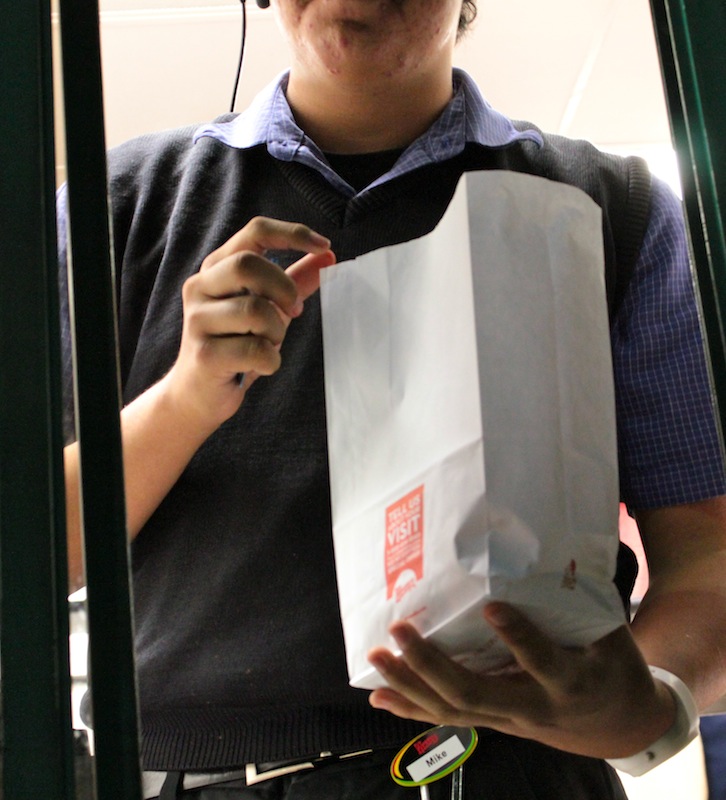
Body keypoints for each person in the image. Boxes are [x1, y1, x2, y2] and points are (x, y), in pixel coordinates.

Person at [57, 0, 726, 797]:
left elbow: (707, 561)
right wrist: (186, 398)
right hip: (200, 772)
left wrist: (650, 703)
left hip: (521, 775)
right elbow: (34, 557)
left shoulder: (618, 210)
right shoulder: (118, 209)